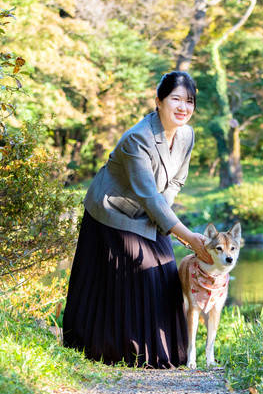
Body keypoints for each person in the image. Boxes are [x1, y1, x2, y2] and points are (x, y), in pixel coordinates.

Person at [62, 71, 212, 369]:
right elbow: (149, 196)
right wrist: (186, 236)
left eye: (190, 101)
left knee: (166, 267)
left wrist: (162, 223)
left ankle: (166, 352)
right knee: (144, 265)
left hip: (151, 211)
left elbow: (176, 182)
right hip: (112, 212)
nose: (183, 107)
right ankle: (117, 349)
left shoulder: (186, 135)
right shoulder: (137, 139)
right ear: (159, 101)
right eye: (176, 99)